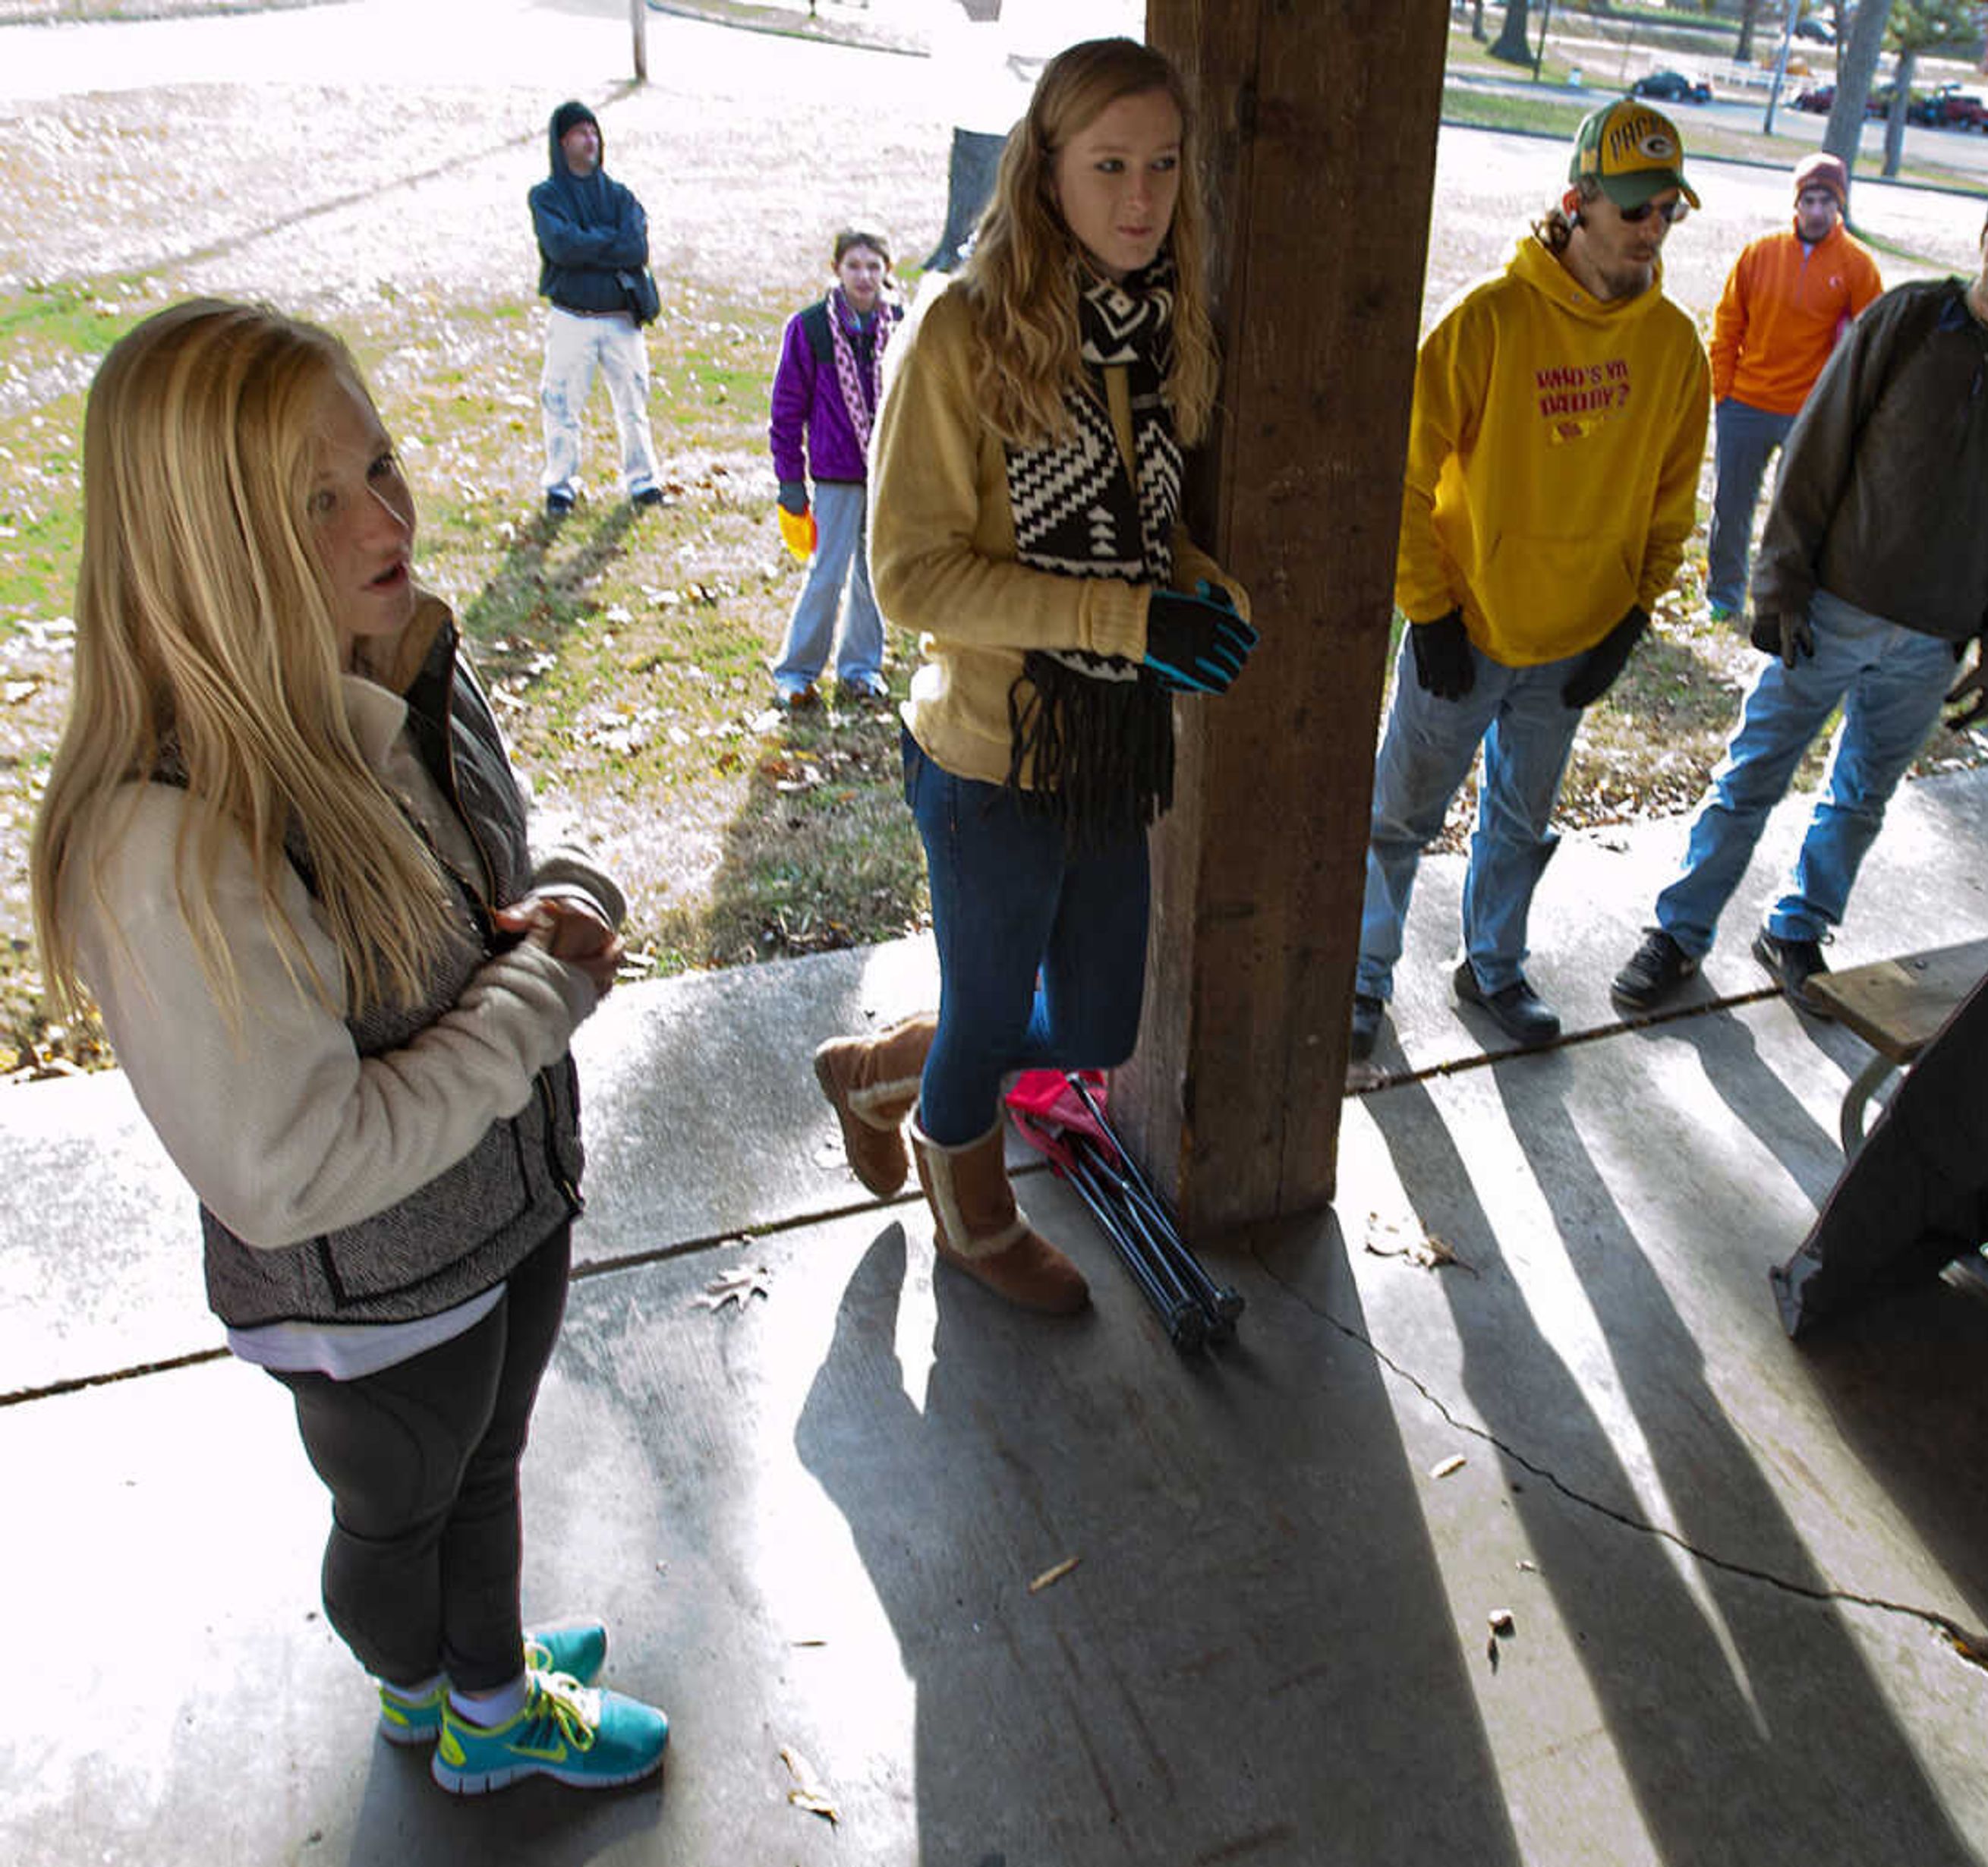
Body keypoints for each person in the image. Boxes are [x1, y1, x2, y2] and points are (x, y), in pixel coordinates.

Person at [27, 301, 669, 1794]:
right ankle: (462, 1712)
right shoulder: (168, 838)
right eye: (319, 498)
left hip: (496, 1211)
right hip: (375, 1304)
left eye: (379, 463)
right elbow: (292, 1166)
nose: (391, 513)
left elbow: (480, 888)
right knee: (402, 1510)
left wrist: (561, 904)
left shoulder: (389, 655)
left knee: (486, 1471)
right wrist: (542, 1001)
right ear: (204, 540)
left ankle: (473, 1659)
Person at [804, 39, 1256, 1310]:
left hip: (1106, 748)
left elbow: (1138, 523)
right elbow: (913, 581)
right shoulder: (960, 329)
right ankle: (973, 1217)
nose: (1140, 199)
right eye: (1108, 164)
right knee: (995, 1018)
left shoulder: (1159, 323)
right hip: (988, 761)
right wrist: (1129, 619)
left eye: (1165, 166)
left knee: (1101, 1026)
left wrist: (1198, 590)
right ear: (1044, 166)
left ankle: (886, 1072)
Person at [1612, 163, 1988, 1017]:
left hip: (1932, 638)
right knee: (1751, 774)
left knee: (1861, 796)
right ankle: (1679, 933)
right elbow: (1817, 448)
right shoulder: (1910, 318)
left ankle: (1799, 926)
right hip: (1828, 610)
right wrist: (1780, 583)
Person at [1349, 99, 1711, 1061]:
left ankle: (1494, 965)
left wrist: (1634, 615)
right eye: (1634, 208)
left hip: (1576, 639)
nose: (1651, 229)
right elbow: (1403, 470)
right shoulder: (1491, 323)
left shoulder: (1674, 347)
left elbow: (1674, 498)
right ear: (1577, 203)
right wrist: (1427, 611)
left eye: (1667, 209)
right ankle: (1359, 978)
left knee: (1521, 822)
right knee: (1396, 819)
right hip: (1464, 630)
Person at [1703, 152, 1883, 624]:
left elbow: (1873, 341)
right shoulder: (1761, 252)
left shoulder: (1857, 265)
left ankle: (1782, 599)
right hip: (1746, 402)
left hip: (1810, 411)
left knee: (1799, 514)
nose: (1818, 210)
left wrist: (1846, 406)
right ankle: (1724, 595)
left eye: (1827, 200)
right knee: (1732, 505)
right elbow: (1728, 323)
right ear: (1796, 202)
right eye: (1810, 199)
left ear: (1839, 204)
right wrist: (1723, 390)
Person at [768, 227, 906, 708]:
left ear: (887, 271)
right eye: (854, 266)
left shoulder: (904, 327)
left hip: (888, 474)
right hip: (835, 475)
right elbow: (787, 409)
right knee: (826, 574)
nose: (864, 276)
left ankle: (860, 668)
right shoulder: (810, 329)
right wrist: (790, 480)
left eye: (873, 266)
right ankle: (798, 670)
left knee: (875, 576)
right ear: (837, 269)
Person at [530, 99, 663, 514]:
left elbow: (636, 247)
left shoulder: (621, 197)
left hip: (620, 319)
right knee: (561, 403)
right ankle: (561, 484)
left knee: (633, 406)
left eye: (594, 132)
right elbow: (561, 247)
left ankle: (643, 482)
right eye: (580, 132)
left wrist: (589, 244)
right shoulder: (546, 197)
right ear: (562, 140)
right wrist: (608, 246)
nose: (590, 140)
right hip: (572, 317)